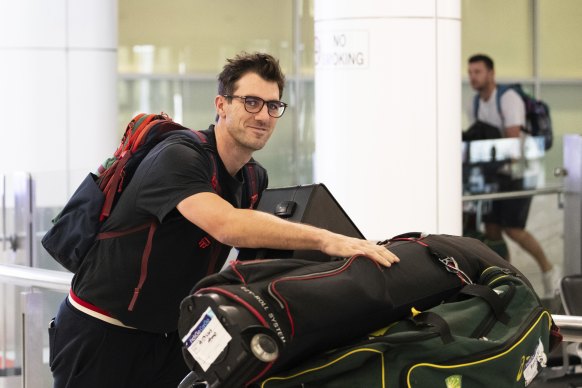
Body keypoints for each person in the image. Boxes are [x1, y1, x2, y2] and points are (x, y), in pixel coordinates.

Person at [48, 52, 399, 388]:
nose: (262, 115)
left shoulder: (252, 178)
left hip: (172, 338)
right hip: (102, 332)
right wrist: (326, 239)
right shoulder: (179, 157)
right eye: (251, 101)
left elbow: (254, 257)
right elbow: (227, 224)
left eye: (273, 105)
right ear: (221, 105)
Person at [467, 53, 558, 298]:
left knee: (514, 229)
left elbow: (512, 145)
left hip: (520, 172)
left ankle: (549, 270)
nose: (473, 77)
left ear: (491, 73)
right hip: (496, 173)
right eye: (470, 72)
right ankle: (506, 279)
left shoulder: (508, 98)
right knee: (493, 228)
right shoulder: (475, 103)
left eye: (478, 72)